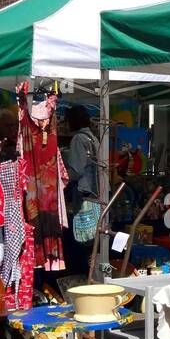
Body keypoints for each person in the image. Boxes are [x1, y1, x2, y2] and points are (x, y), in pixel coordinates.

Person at [62, 104, 100, 277]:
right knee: (93, 242)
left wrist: (60, 177)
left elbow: (76, 170)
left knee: (84, 242)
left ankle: (87, 277)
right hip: (95, 194)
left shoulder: (78, 139)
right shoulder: (93, 137)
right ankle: (94, 275)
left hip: (85, 196)